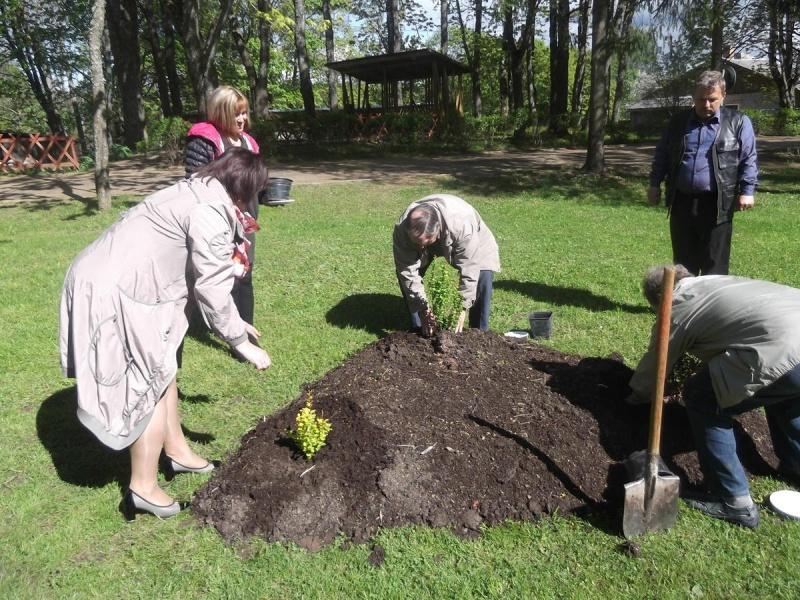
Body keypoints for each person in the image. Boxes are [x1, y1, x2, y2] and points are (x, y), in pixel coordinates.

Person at [60, 148, 272, 520]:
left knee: (164, 367)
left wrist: (237, 321)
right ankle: (143, 489)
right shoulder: (209, 212)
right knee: (151, 383)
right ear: (244, 190)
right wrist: (241, 343)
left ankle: (177, 453)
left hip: (111, 276)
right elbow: (211, 288)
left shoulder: (197, 188)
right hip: (116, 290)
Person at [627, 265, 800, 529]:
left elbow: (655, 365)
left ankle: (733, 501)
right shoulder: (716, 282)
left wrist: (636, 396)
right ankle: (796, 466)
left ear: (657, 301)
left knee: (704, 398)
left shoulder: (677, 307)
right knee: (786, 395)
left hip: (783, 347)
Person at [647, 70, 758, 276]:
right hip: (681, 201)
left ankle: (712, 298)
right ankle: (686, 297)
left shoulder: (739, 122)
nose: (706, 104)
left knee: (714, 264)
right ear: (693, 97)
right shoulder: (678, 123)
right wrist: (654, 184)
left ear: (723, 96)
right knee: (683, 264)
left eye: (712, 99)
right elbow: (662, 155)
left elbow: (748, 159)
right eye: (700, 99)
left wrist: (747, 191)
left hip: (717, 204)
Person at [185, 85, 261, 324]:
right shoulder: (205, 140)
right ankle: (226, 327)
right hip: (217, 221)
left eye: (244, 113)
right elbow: (195, 181)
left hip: (245, 222)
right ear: (220, 113)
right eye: (235, 114)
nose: (242, 119)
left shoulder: (248, 142)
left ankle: (246, 328)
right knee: (223, 276)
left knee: (244, 273)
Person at [393, 194, 500, 335]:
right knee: (406, 276)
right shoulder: (403, 229)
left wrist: (462, 307)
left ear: (437, 230)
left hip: (471, 239)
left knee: (482, 273)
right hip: (431, 235)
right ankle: (420, 328)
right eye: (417, 242)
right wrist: (423, 308)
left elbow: (470, 266)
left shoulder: (461, 223)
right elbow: (407, 271)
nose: (421, 246)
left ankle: (478, 333)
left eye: (425, 242)